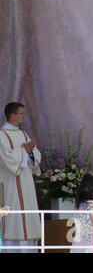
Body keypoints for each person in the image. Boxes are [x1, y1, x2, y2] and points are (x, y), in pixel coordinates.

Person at [0, 102, 41, 253]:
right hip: (10, 184)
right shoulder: (1, 135)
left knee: (28, 223)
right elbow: (6, 158)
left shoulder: (24, 134)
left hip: (27, 185)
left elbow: (35, 154)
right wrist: (25, 152)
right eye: (21, 114)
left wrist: (30, 153)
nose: (23, 117)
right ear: (12, 115)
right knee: (13, 223)